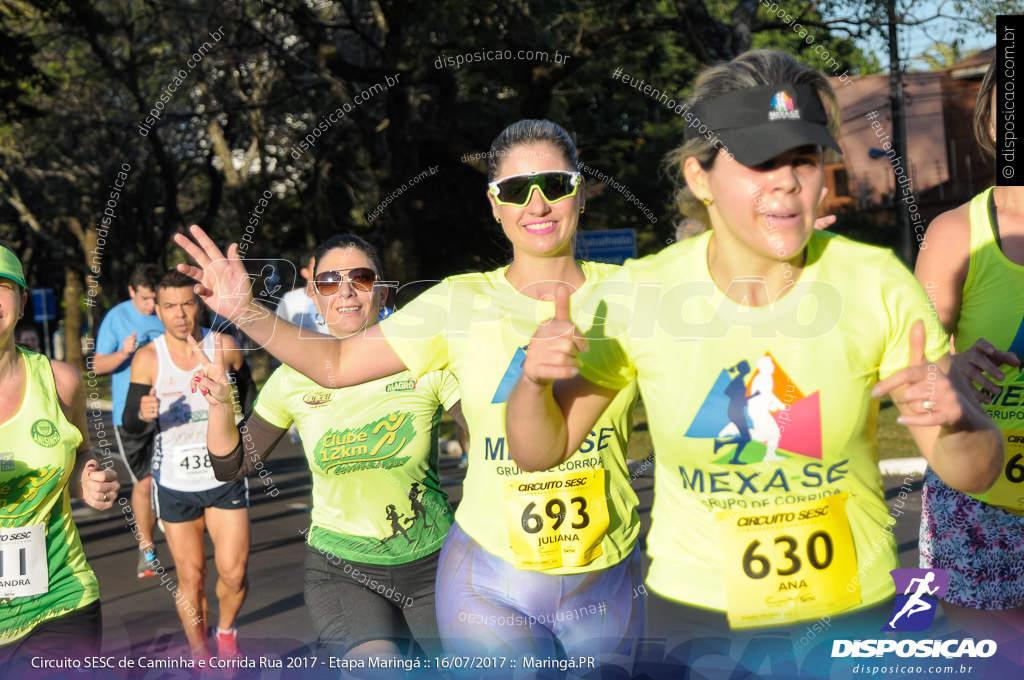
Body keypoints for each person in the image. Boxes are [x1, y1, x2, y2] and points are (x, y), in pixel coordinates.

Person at [504, 49, 1003, 672]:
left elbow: (973, 472)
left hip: (849, 615)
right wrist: (531, 384)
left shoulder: (877, 283)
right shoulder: (639, 296)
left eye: (802, 158)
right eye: (759, 160)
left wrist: (961, 423)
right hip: (696, 620)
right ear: (699, 178)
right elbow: (538, 452)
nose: (787, 180)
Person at [174, 120, 646, 667]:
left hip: (602, 568)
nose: (537, 204)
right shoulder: (456, 303)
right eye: (516, 190)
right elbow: (335, 363)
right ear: (494, 205)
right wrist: (244, 312)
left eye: (554, 184)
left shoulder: (635, 295)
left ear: (581, 190)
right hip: (489, 569)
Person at [193, 234, 464, 663]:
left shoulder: (426, 360)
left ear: (382, 291)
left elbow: (492, 442)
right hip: (343, 567)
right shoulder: (291, 378)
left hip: (435, 564)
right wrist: (221, 407)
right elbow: (234, 465)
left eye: (360, 277)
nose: (346, 292)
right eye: (328, 282)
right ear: (314, 298)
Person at [915, 57, 1024, 637]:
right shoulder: (956, 234)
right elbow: (913, 368)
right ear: (990, 123)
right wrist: (951, 368)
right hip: (979, 503)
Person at [0, 244, 120, 671]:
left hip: (61, 599)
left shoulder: (60, 380)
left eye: (2, 286)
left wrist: (89, 476)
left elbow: (82, 448)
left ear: (21, 301)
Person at [120, 270, 249, 662]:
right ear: (157, 310)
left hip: (224, 476)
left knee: (233, 574)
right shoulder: (148, 358)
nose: (180, 315)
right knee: (191, 577)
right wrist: (143, 414)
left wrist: (228, 402)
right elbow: (129, 422)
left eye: (188, 304)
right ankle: (201, 657)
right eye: (170, 306)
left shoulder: (224, 346)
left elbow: (250, 404)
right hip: (174, 481)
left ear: (200, 305)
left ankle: (225, 632)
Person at [93, 264, 165, 578]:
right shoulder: (117, 317)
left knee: (173, 479)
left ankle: (177, 530)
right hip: (130, 413)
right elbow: (96, 365)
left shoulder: (168, 311)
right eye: (147, 299)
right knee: (145, 481)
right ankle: (147, 549)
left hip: (171, 409)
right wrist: (124, 353)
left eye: (155, 299)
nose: (152, 306)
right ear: (132, 291)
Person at [275, 250, 328, 334]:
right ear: (304, 272)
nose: (322, 271)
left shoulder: (337, 298)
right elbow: (277, 330)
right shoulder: (290, 299)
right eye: (316, 267)